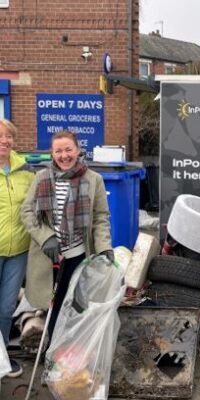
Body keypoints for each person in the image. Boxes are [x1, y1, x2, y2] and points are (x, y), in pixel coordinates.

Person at [21, 130, 114, 345]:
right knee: (54, 307)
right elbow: (27, 212)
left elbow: (101, 217)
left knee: (77, 306)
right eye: (58, 151)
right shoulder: (41, 177)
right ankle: (54, 355)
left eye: (68, 149)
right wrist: (46, 237)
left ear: (78, 150)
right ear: (52, 154)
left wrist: (104, 247)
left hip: (79, 256)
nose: (64, 155)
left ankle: (75, 356)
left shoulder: (94, 180)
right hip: (48, 256)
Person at [0, 119, 34, 377]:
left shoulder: (26, 171)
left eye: (8, 136)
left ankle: (2, 361)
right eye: (0, 136)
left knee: (6, 307)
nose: (4, 141)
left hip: (18, 251)